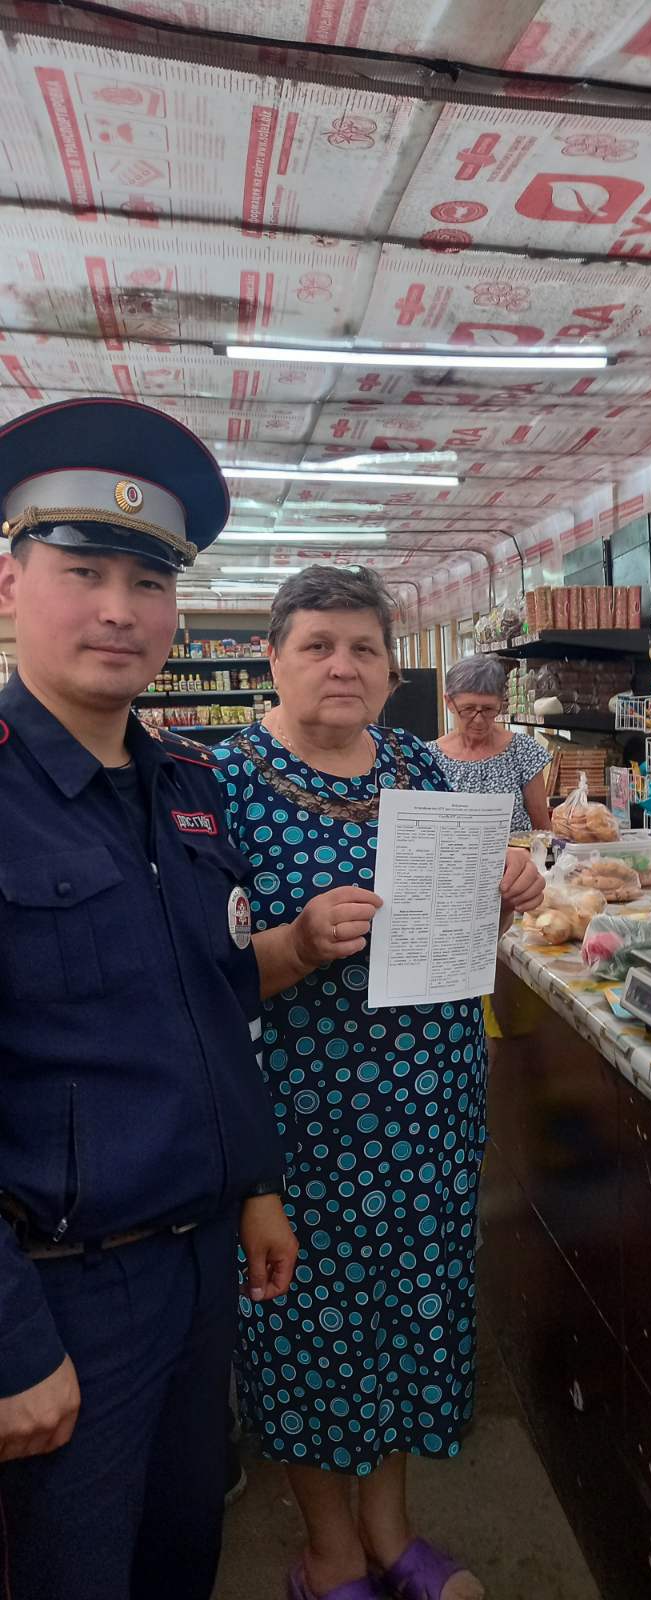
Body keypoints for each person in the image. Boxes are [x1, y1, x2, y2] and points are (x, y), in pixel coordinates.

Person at [0, 398, 295, 1600]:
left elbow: (215, 1005)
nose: (119, 608)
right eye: (83, 570)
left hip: (197, 1269)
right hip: (59, 1293)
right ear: (11, 580)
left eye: (147, 579)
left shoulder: (183, 787)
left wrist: (257, 1184)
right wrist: (10, 1340)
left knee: (183, 1554)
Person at [211, 565, 544, 1600]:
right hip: (302, 1115)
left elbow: (448, 927)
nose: (342, 665)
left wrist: (504, 896)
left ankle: (394, 1531)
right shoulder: (220, 785)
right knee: (309, 1322)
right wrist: (297, 944)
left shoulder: (418, 766)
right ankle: (331, 1552)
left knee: (411, 1307)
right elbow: (201, 974)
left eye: (363, 647)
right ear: (273, 656)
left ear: (395, 668)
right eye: (316, 644)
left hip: (430, 1103)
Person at [432, 654, 552, 834]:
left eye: (488, 709)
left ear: (500, 703)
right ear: (449, 702)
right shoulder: (429, 757)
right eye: (468, 709)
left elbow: (542, 830)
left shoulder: (523, 751)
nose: (479, 720)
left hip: (514, 861)